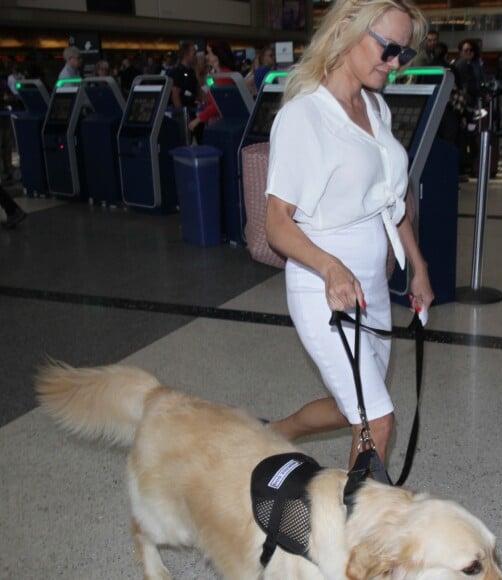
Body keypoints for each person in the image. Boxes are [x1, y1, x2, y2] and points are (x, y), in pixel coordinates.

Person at [264, 0, 434, 468]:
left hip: (371, 286)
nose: (396, 62)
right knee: (377, 419)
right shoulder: (305, 116)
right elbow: (276, 220)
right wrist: (330, 267)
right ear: (345, 30)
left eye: (406, 53)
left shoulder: (374, 106)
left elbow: (392, 202)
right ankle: (351, 527)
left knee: (353, 405)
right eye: (390, 48)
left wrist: (417, 267)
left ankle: (272, 434)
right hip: (325, 286)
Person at [187, 40, 236, 135]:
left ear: (217, 55)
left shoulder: (225, 76)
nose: (207, 56)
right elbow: (209, 94)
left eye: (209, 53)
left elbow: (217, 103)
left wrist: (198, 119)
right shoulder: (216, 75)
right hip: (217, 122)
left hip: (222, 123)